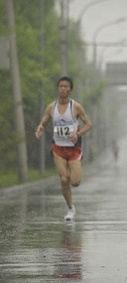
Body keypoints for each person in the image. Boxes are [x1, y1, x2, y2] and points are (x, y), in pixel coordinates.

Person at [35, 76, 92, 221]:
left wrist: (78, 133)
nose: (63, 89)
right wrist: (40, 128)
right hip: (58, 148)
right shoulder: (51, 107)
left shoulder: (76, 107)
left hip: (73, 149)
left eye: (66, 86)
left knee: (75, 182)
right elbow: (44, 122)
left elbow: (88, 124)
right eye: (61, 86)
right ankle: (70, 208)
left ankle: (71, 198)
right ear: (57, 89)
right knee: (63, 179)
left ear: (71, 90)